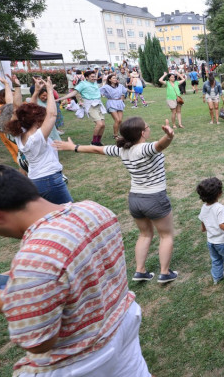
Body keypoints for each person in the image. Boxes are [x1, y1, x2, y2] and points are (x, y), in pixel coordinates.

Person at [0, 164, 151, 377]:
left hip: (83, 361)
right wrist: (29, 284)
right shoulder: (95, 209)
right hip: (122, 324)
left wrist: (7, 303)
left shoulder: (36, 257)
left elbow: (39, 343)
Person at [54, 117, 179, 283]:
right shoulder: (145, 149)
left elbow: (97, 150)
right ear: (143, 133)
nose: (149, 129)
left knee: (144, 234)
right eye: (147, 127)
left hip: (135, 199)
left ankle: (140, 271)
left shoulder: (122, 150)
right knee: (166, 235)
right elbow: (161, 145)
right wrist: (169, 136)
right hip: (154, 198)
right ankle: (165, 272)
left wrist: (74, 147)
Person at [6, 77, 73, 204]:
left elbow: (24, 109)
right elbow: (52, 114)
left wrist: (36, 92)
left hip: (35, 179)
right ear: (36, 120)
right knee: (67, 211)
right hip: (49, 180)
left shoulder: (20, 133)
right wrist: (49, 89)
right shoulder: (37, 138)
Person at [57, 70, 106, 145]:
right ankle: (93, 142)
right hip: (90, 106)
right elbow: (74, 92)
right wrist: (61, 98)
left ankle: (98, 141)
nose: (94, 78)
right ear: (86, 77)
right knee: (99, 124)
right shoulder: (82, 84)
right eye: (92, 77)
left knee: (103, 125)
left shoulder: (95, 84)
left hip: (99, 105)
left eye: (94, 76)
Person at [100, 74, 128, 139]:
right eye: (113, 78)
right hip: (111, 103)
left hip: (119, 103)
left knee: (120, 120)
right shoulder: (106, 87)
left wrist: (132, 91)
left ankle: (121, 134)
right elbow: (98, 92)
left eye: (116, 78)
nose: (115, 79)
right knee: (117, 120)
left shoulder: (120, 86)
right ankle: (115, 135)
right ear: (109, 80)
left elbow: (125, 90)